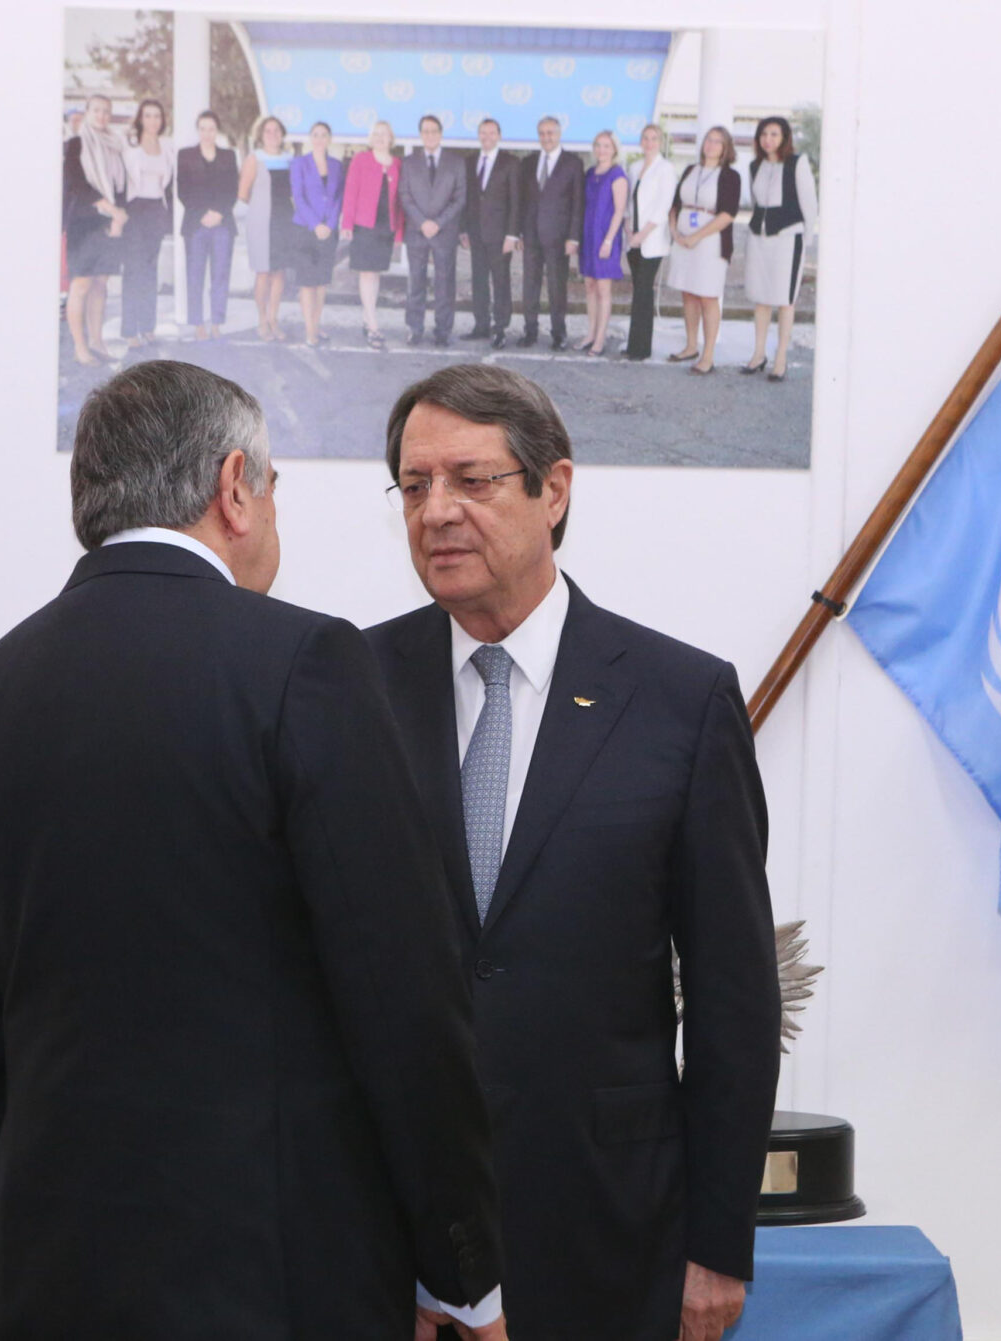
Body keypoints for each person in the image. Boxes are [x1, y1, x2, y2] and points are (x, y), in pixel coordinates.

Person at [0, 360, 510, 1341]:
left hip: (46, 1284)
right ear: (235, 487)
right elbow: (402, 994)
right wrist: (463, 1273)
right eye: (271, 487)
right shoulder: (306, 665)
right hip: (272, 1284)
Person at [365, 363, 781, 1341]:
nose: (436, 512)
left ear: (553, 490)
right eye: (414, 485)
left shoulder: (680, 700)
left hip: (608, 1229)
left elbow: (732, 994)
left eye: (471, 480)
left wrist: (718, 1241)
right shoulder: (350, 685)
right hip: (390, 1245)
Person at [741, 115, 820, 381]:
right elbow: (756, 202)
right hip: (759, 237)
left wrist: (806, 240)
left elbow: (809, 204)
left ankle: (781, 358)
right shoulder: (755, 166)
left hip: (788, 238)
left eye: (774, 134)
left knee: (785, 300)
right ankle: (758, 354)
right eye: (764, 134)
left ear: (784, 137)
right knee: (761, 297)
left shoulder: (797, 163)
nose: (768, 139)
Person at [663, 125, 742, 375]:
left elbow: (728, 214)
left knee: (707, 296)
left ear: (726, 148)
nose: (711, 145)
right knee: (688, 292)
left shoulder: (730, 176)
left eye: (717, 141)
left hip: (710, 242)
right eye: (708, 140)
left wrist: (696, 237)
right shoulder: (690, 170)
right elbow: (675, 204)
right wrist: (675, 231)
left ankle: (708, 355)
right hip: (683, 239)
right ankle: (690, 346)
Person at [61, 93, 128, 366]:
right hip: (83, 222)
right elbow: (78, 184)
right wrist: (112, 209)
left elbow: (120, 185)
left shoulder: (114, 145)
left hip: (107, 224)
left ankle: (97, 342)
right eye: (97, 110)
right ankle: (80, 348)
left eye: (106, 111)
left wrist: (117, 217)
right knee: (81, 285)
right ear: (88, 112)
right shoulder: (75, 144)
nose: (102, 116)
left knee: (101, 283)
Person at [514, 116, 585, 350]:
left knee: (557, 287)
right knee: (530, 285)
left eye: (550, 133)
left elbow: (578, 203)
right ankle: (530, 331)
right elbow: (522, 201)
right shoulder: (528, 162)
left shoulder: (573, 163)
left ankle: (559, 333)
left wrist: (573, 237)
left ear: (559, 134)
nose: (546, 137)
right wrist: (519, 233)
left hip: (559, 237)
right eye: (542, 133)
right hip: (531, 235)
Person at [400, 113, 466, 347]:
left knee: (445, 283)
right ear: (420, 135)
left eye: (434, 131)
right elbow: (405, 196)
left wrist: (438, 223)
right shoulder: (409, 162)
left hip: (444, 232)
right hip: (417, 231)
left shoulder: (456, 162)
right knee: (415, 282)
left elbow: (459, 198)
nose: (430, 135)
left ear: (440, 134)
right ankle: (414, 328)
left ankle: (443, 330)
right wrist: (422, 222)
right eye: (425, 131)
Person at [175, 109, 240, 342]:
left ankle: (216, 323)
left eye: (211, 129)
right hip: (196, 224)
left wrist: (219, 213)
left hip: (222, 223)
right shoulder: (185, 155)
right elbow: (182, 190)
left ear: (217, 130)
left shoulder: (228, 156)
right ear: (198, 130)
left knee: (220, 275)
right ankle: (198, 323)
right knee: (195, 275)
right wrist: (203, 214)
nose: (207, 133)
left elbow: (233, 189)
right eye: (203, 129)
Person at [341, 120, 404, 352]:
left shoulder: (397, 164)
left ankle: (367, 319)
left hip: (386, 227)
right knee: (366, 274)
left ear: (391, 139)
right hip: (364, 225)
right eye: (376, 134)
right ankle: (373, 325)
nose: (379, 137)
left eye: (384, 134)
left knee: (375, 274)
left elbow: (400, 201)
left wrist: (399, 232)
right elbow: (350, 192)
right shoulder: (361, 160)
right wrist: (347, 223)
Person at [119, 99, 174, 347]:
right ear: (141, 119)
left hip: (156, 211)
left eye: (157, 116)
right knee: (133, 271)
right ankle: (130, 330)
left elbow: (168, 184)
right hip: (135, 210)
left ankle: (148, 327)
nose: (153, 121)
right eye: (148, 115)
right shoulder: (129, 146)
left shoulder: (167, 146)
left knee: (151, 270)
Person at [462, 117, 520, 348]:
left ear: (499, 136)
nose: (487, 137)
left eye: (492, 133)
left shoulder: (510, 162)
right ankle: (481, 325)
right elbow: (467, 199)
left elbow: (516, 200)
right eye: (483, 133)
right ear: (478, 135)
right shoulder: (470, 162)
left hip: (500, 235)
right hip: (476, 233)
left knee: (501, 281)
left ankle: (500, 328)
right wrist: (463, 230)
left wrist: (512, 235)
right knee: (478, 280)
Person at [238, 116, 296, 341]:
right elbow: (243, 194)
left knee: (279, 272)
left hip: (284, 221)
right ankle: (262, 320)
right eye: (268, 131)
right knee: (263, 272)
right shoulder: (254, 159)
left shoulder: (289, 160)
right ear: (260, 135)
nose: (272, 134)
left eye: (276, 130)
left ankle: (273, 319)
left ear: (282, 134)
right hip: (261, 223)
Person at [622, 123, 676, 362]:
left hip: (651, 240)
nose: (649, 142)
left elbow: (662, 207)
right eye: (645, 138)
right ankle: (634, 344)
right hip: (632, 239)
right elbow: (629, 202)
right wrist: (628, 229)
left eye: (654, 138)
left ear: (660, 142)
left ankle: (641, 348)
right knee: (638, 291)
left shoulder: (666, 169)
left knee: (644, 291)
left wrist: (641, 235)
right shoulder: (634, 167)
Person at [290, 121, 345, 348]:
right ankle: (309, 330)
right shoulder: (299, 163)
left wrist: (329, 224)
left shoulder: (337, 165)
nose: (320, 138)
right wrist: (316, 225)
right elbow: (298, 197)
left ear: (329, 139)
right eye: (315, 134)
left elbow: (339, 197)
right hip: (305, 229)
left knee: (322, 282)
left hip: (328, 231)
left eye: (324, 135)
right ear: (310, 138)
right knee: (307, 283)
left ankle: (316, 324)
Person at [578, 130, 629, 357]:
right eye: (598, 145)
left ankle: (600, 338)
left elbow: (619, 211)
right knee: (589, 285)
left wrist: (608, 240)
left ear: (614, 149)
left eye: (607, 146)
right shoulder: (590, 173)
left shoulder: (618, 175)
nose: (602, 150)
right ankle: (590, 333)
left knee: (603, 289)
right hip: (588, 236)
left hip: (605, 237)